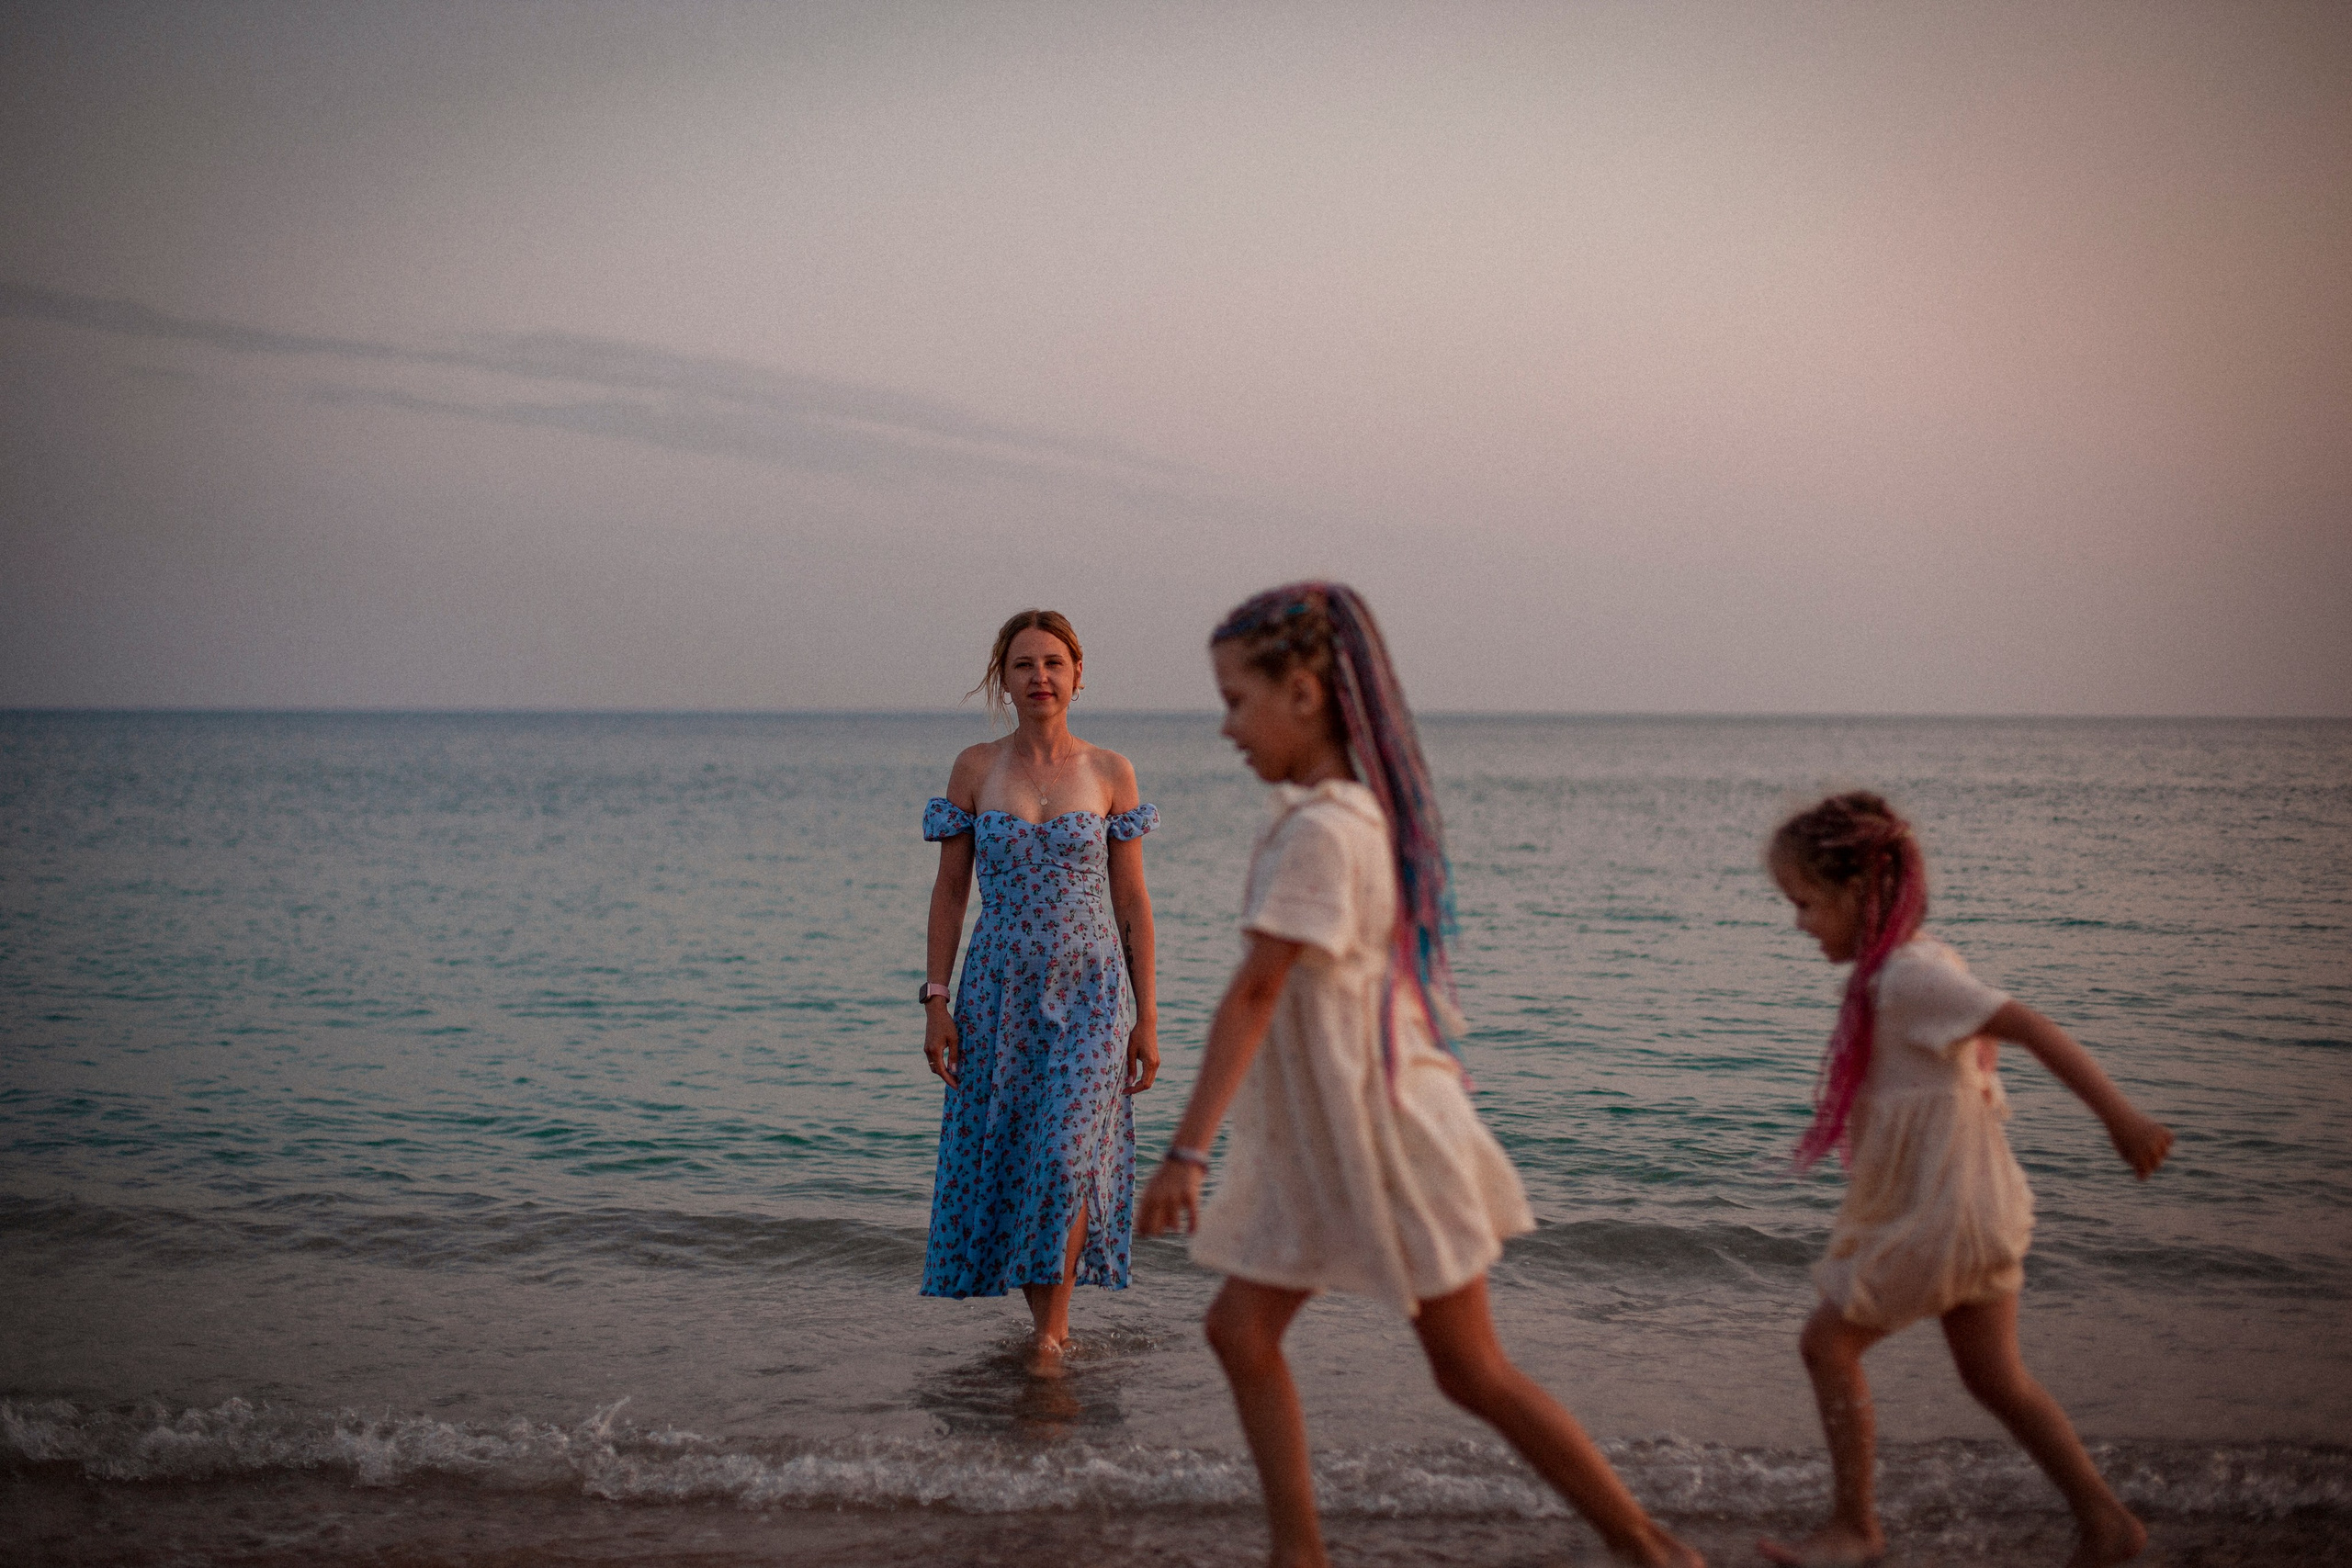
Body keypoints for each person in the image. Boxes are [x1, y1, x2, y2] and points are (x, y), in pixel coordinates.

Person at [1137, 582, 1701, 1568]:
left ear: (1303, 693)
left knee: (1471, 1370)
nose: (1225, 727)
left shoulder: (1325, 828)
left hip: (1387, 1134)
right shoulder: (1344, 816)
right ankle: (1299, 1554)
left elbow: (1256, 991)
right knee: (1239, 1330)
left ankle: (1651, 1550)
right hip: (1337, 1133)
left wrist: (1186, 1153)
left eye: (1235, 700)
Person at [1759, 791, 2174, 1568]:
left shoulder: (1907, 979)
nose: (1799, 923)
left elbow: (2027, 1025)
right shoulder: (1914, 967)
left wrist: (2123, 1118)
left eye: (1806, 903)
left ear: (1859, 894)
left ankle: (1855, 1526)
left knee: (1826, 1344)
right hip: (1977, 1203)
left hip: (1942, 1211)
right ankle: (2106, 1519)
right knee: (1996, 1377)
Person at [920, 609, 1159, 1375]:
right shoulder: (975, 768)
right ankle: (1048, 1334)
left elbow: (1132, 902)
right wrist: (936, 1000)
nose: (1040, 677)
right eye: (1023, 664)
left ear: (1078, 674)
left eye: (1053, 662)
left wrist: (1148, 1016)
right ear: (1004, 678)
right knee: (1020, 1156)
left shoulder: (1111, 771)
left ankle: (1051, 1338)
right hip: (999, 993)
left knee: (1063, 1158)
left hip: (1093, 992)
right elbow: (950, 891)